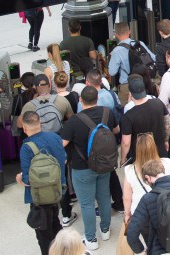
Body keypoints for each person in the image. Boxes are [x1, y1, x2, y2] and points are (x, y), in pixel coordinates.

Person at [60, 86, 118, 250]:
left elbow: (62, 144)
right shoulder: (107, 113)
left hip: (82, 168)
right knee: (104, 197)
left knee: (86, 204)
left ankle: (91, 239)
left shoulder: (74, 121)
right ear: (97, 99)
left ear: (80, 100)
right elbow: (116, 130)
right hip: (105, 164)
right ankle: (105, 230)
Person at [17, 110, 67, 255]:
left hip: (39, 197)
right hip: (58, 190)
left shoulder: (26, 148)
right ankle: (64, 251)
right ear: (40, 123)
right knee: (55, 223)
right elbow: (63, 159)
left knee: (44, 235)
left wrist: (19, 177)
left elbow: (27, 180)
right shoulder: (55, 137)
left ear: (25, 128)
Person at [120, 74, 170, 165]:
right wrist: (166, 140)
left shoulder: (128, 116)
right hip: (160, 153)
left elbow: (126, 142)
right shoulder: (158, 103)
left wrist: (123, 158)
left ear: (130, 93)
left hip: (140, 158)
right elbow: (167, 123)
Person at [107, 23, 154, 96]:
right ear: (129, 31)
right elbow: (153, 58)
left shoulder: (116, 51)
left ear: (116, 35)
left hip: (127, 86)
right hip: (144, 82)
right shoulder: (139, 44)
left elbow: (112, 72)